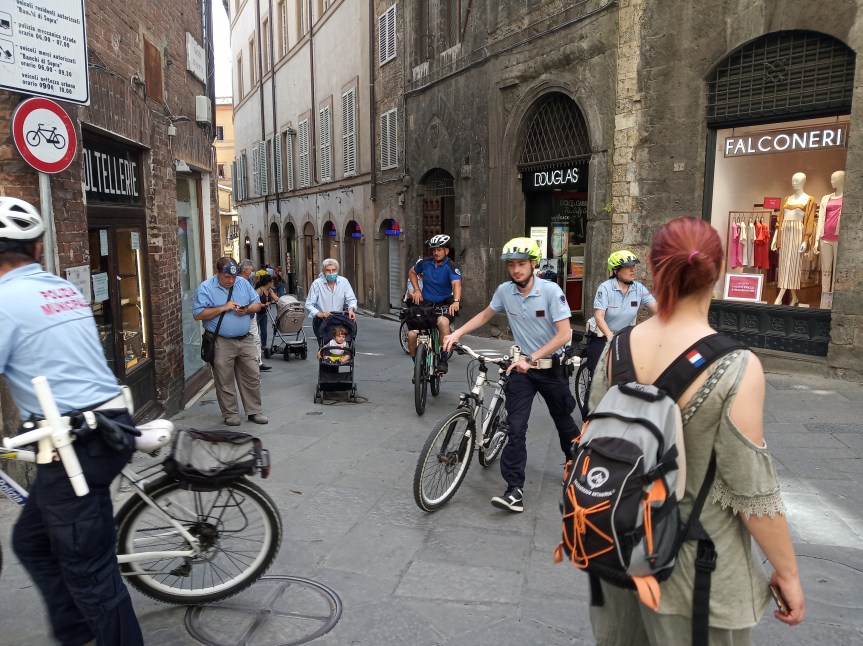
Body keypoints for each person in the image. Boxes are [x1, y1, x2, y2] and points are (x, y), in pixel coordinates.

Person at [587, 217, 805, 645]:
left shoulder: (616, 349)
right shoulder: (736, 365)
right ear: (718, 270)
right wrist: (788, 572)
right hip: (693, 574)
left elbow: (595, 441)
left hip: (616, 557)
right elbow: (751, 490)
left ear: (654, 267)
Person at [0, 197, 144, 645]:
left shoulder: (4, 300)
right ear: (38, 248)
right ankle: (76, 633)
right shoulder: (60, 288)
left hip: (77, 444)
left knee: (90, 571)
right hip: (108, 422)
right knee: (32, 542)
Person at [442, 237, 579, 513]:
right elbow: (485, 315)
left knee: (563, 420)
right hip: (522, 371)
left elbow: (565, 334)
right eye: (511, 265)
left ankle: (576, 464)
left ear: (533, 264)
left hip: (551, 368)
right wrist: (457, 333)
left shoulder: (551, 291)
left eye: (521, 264)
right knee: (515, 428)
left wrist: (532, 358)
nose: (516, 270)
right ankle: (514, 490)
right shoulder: (505, 291)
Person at [579, 249, 658, 418]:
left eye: (634, 266)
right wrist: (610, 336)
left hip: (623, 337)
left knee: (633, 373)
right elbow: (599, 316)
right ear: (616, 270)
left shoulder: (638, 288)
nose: (633, 270)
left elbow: (656, 309)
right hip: (602, 336)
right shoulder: (605, 288)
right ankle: (588, 418)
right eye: (628, 267)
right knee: (597, 376)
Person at [193, 257, 269, 426]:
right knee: (224, 379)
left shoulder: (243, 283)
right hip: (221, 341)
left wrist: (247, 309)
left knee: (252, 376)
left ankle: (254, 411)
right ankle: (230, 413)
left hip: (245, 338)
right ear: (218, 272)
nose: (231, 281)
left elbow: (257, 305)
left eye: (233, 277)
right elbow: (198, 314)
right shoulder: (206, 288)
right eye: (227, 277)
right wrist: (223, 308)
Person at [408, 234, 461, 373]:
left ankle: (443, 359)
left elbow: (456, 284)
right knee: (412, 335)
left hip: (444, 304)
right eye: (434, 250)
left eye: (439, 249)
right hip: (426, 304)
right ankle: (416, 365)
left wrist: (456, 301)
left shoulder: (451, 266)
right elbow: (412, 272)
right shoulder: (425, 263)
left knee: (443, 323)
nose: (436, 253)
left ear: (446, 251)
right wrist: (417, 290)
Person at [770, 172, 816, 306]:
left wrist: (805, 240)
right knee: (785, 266)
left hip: (797, 234)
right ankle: (794, 297)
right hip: (784, 234)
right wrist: (775, 238)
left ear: (803, 182)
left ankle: (779, 298)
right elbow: (780, 220)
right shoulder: (786, 199)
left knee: (793, 266)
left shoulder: (809, 199)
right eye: (792, 180)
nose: (793, 183)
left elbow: (809, 221)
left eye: (797, 180)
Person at [304, 258, 357, 346]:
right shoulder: (317, 284)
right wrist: (320, 314)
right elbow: (309, 304)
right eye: (328, 270)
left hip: (339, 320)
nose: (331, 272)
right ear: (323, 271)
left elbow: (351, 299)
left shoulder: (344, 282)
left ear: (337, 270)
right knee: (324, 347)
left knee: (342, 346)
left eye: (333, 270)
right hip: (322, 321)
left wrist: (351, 309)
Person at [814, 170, 844, 306]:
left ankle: (835, 302)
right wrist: (816, 240)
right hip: (825, 237)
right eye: (831, 178)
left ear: (842, 180)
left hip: (839, 239)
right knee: (826, 270)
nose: (831, 181)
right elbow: (821, 218)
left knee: (837, 270)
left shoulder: (848, 198)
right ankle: (824, 301)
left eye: (834, 179)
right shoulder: (826, 198)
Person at [238, 259, 271, 371]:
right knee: (251, 339)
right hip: (245, 314)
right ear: (246, 270)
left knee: (255, 338)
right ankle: (253, 363)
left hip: (251, 313)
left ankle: (258, 362)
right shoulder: (240, 282)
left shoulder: (248, 281)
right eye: (251, 270)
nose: (253, 271)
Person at [255, 274, 279, 358]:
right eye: (272, 282)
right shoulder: (259, 290)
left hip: (264, 313)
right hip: (256, 313)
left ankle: (263, 346)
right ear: (268, 283)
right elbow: (254, 302)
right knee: (255, 331)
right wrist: (264, 305)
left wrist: (283, 301)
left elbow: (276, 298)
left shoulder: (270, 290)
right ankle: (255, 346)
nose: (273, 283)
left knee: (264, 331)